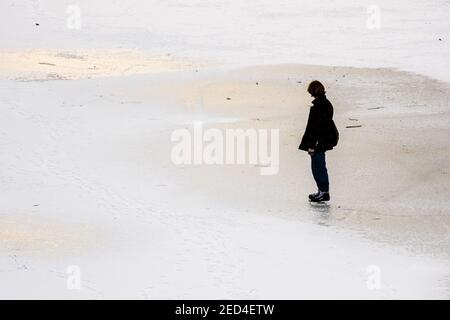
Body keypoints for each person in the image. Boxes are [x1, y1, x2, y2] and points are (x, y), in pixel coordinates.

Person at [299, 81, 339, 202]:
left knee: (318, 167)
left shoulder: (318, 106)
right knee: (319, 166)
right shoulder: (326, 104)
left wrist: (312, 145)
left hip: (319, 142)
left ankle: (324, 192)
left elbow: (315, 128)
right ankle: (322, 190)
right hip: (324, 139)